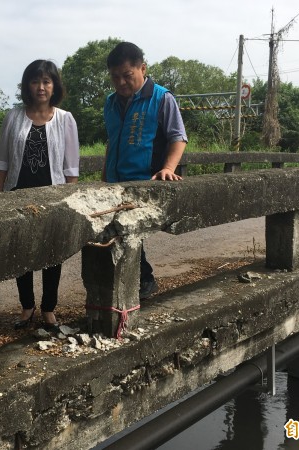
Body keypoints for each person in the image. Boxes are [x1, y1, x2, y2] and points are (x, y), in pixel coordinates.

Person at [0, 59, 80, 331]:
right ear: (27, 85)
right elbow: (3, 160)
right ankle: (27, 306)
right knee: (22, 253)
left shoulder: (65, 119)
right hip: (18, 193)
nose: (41, 87)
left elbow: (71, 166)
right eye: (35, 81)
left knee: (53, 253)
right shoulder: (13, 116)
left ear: (54, 86)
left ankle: (49, 309)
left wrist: (69, 198)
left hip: (53, 194)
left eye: (46, 81)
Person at [102, 42, 188, 300]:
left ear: (142, 68)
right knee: (116, 235)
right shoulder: (110, 102)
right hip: (116, 181)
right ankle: (137, 283)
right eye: (115, 77)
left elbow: (178, 137)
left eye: (127, 76)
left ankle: (144, 282)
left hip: (144, 180)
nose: (121, 83)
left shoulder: (162, 98)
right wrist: (105, 175)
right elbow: (112, 139)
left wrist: (168, 168)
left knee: (127, 234)